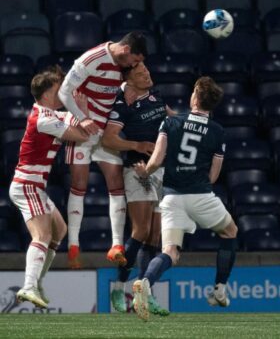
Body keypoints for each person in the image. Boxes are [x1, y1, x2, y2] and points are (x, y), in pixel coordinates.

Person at [130, 77, 238, 321]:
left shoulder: (171, 122)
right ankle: (220, 289)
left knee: (170, 252)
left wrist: (145, 172)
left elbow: (157, 158)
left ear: (196, 97)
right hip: (201, 195)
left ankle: (145, 282)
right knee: (230, 231)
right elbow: (214, 174)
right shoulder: (218, 131)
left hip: (172, 198)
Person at [58, 31, 147, 269]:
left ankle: (116, 245)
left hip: (105, 132)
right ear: (126, 50)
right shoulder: (90, 59)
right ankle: (73, 246)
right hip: (82, 128)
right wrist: (81, 117)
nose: (135, 66)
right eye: (134, 61)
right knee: (79, 183)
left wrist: (128, 87)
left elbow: (133, 81)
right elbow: (63, 92)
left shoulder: (125, 64)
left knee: (116, 182)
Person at [10, 67, 90, 307]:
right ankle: (28, 286)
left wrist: (80, 110)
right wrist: (82, 111)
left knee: (60, 230)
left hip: (36, 186)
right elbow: (82, 135)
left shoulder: (50, 113)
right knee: (43, 234)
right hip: (27, 185)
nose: (63, 94)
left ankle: (37, 283)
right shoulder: (44, 119)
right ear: (46, 94)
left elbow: (75, 122)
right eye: (59, 90)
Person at [102, 63, 172, 316]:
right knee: (140, 231)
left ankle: (144, 293)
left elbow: (172, 118)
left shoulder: (156, 96)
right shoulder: (122, 104)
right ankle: (119, 288)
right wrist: (137, 144)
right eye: (142, 73)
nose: (148, 74)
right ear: (129, 79)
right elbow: (109, 138)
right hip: (137, 169)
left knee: (155, 236)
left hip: (160, 170)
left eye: (148, 71)